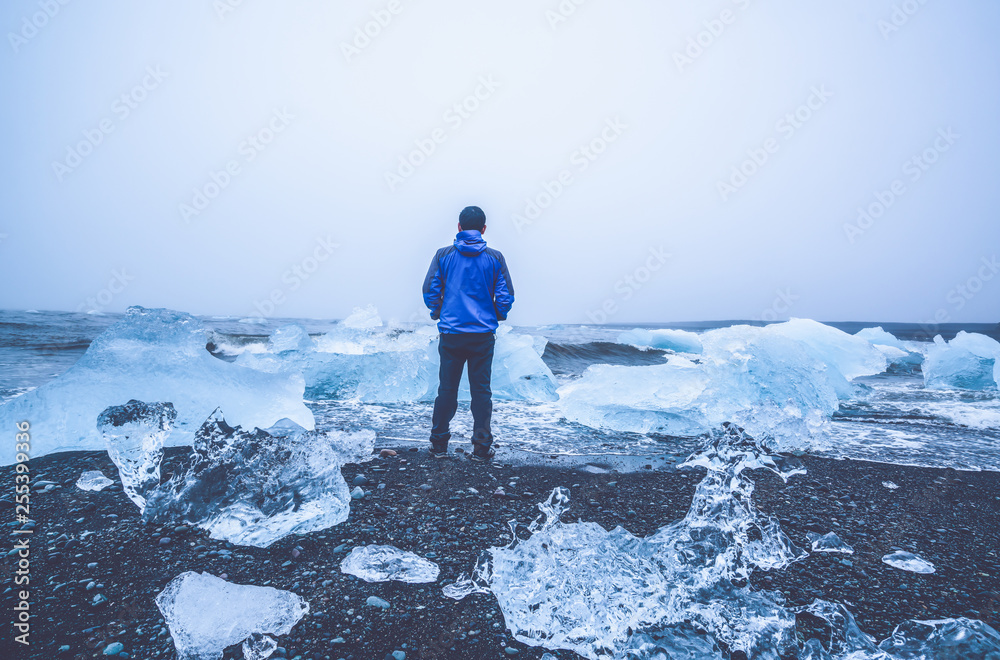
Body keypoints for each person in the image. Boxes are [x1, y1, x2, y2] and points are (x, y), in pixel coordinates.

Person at [422, 205, 514, 461]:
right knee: (481, 392)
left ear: (459, 227)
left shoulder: (443, 255)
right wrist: (497, 314)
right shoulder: (495, 258)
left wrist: (437, 311)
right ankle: (481, 448)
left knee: (447, 391)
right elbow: (506, 295)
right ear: (484, 229)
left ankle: (439, 446)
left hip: (451, 334)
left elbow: (430, 289)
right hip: (482, 336)